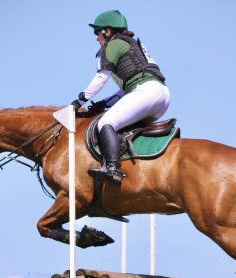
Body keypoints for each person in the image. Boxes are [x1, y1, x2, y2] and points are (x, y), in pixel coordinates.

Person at [72, 10, 170, 183]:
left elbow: (101, 78)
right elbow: (125, 91)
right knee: (122, 126)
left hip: (146, 92)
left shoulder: (113, 44)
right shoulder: (131, 45)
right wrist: (103, 103)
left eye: (97, 32)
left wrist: (78, 101)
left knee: (105, 123)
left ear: (107, 31)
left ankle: (112, 168)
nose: (96, 38)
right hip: (161, 95)